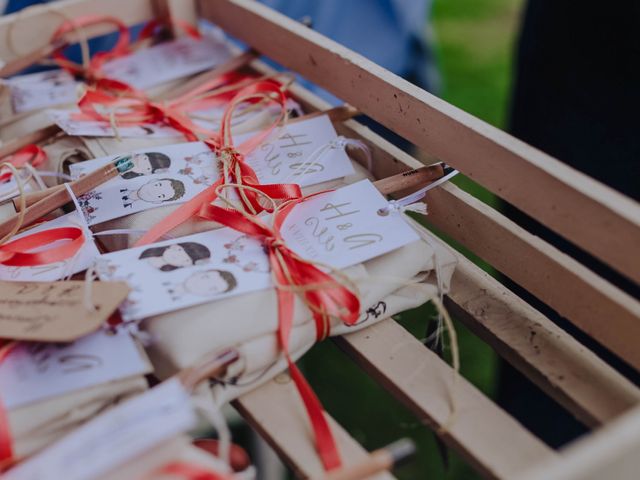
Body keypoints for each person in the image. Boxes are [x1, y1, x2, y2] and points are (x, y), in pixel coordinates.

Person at [138, 242, 211, 272]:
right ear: (174, 246)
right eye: (179, 250)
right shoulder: (144, 253)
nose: (178, 256)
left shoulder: (165, 274)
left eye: (186, 259)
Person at [119, 178, 185, 207]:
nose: (154, 191)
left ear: (157, 202)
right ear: (153, 180)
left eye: (160, 196)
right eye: (157, 185)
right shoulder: (121, 183)